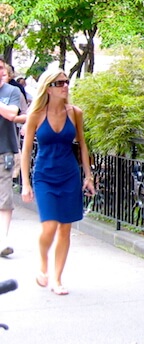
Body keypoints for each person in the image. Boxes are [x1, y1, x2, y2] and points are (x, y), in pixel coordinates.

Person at [20, 68, 95, 295]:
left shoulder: (75, 113)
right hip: (44, 175)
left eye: (66, 82)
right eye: (60, 83)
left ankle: (57, 278)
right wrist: (25, 183)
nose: (65, 86)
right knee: (49, 225)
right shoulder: (36, 114)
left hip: (69, 175)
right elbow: (26, 151)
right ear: (48, 88)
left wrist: (88, 176)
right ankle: (42, 263)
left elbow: (82, 144)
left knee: (65, 229)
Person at [0, 58, 21, 259]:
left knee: (4, 196)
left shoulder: (11, 92)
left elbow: (11, 115)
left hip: (4, 151)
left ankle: (3, 240)